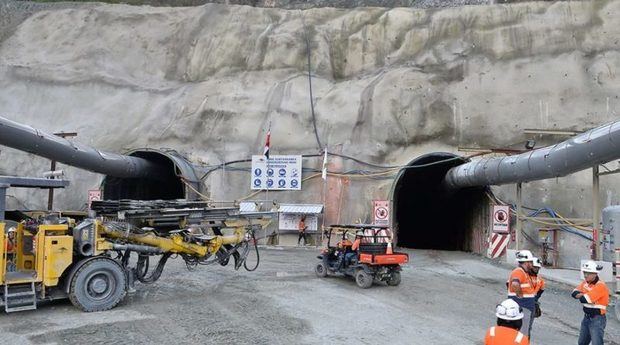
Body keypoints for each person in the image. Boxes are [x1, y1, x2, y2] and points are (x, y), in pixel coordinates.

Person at [572, 260, 609, 345]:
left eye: (588, 273)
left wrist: (582, 294)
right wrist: (585, 295)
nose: (585, 275)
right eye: (585, 272)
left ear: (595, 274)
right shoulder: (585, 283)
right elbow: (573, 293)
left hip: (597, 319)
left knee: (597, 343)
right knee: (582, 343)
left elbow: (584, 299)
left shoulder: (600, 286)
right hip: (586, 318)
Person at [507, 250, 536, 337]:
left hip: (525, 308)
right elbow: (515, 284)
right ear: (526, 262)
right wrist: (520, 296)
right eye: (531, 262)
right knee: (522, 333)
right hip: (523, 308)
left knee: (524, 332)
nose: (532, 264)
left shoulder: (524, 273)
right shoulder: (519, 271)